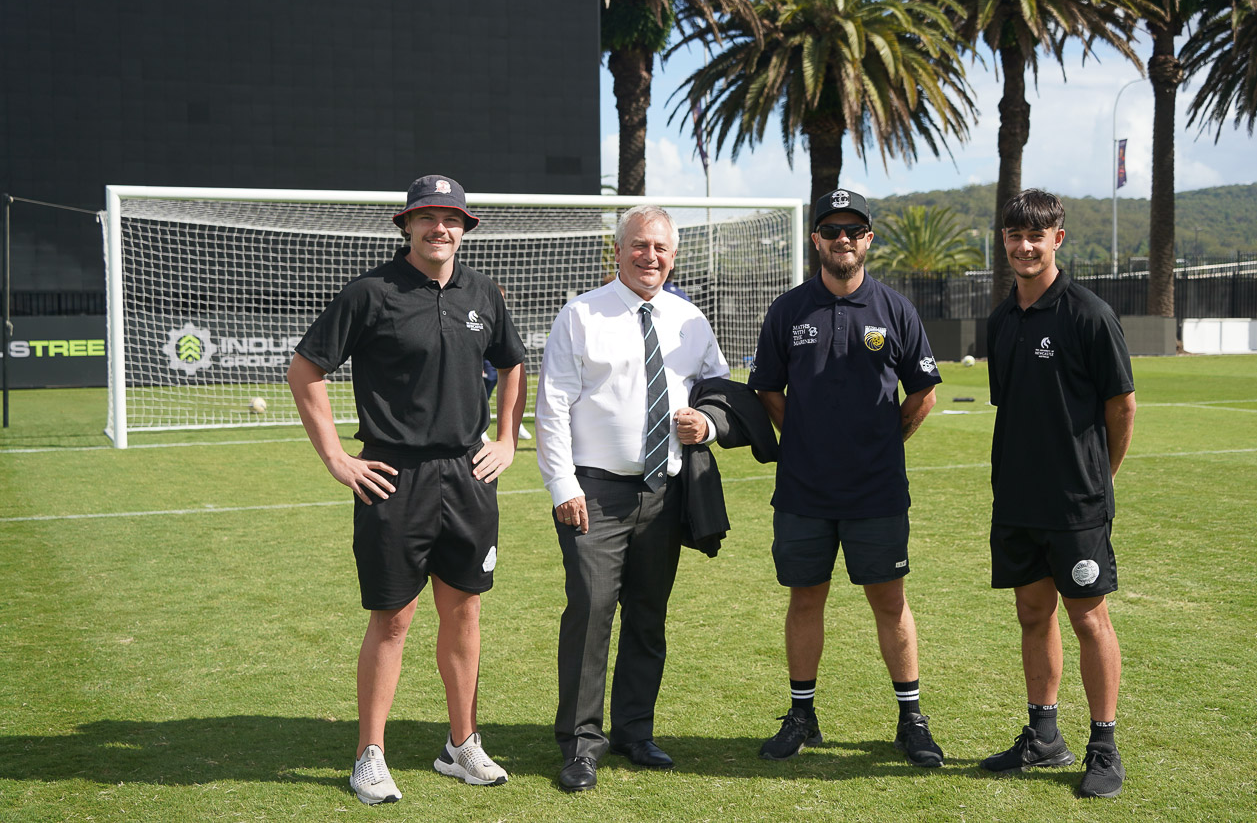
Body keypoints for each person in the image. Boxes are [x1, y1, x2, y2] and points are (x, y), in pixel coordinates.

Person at [287, 175, 527, 805]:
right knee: (393, 618)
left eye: (450, 219)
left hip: (468, 474)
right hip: (393, 476)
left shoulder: (485, 294)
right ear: (406, 227)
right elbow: (305, 368)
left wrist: (506, 438)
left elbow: (512, 363)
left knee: (465, 611)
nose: (438, 229)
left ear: (465, 228)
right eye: (426, 218)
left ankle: (461, 744)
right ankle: (370, 754)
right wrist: (338, 458)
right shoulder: (371, 293)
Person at [535, 205, 730, 792]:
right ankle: (580, 744)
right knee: (591, 614)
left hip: (663, 492)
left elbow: (719, 393)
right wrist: (564, 485)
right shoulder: (581, 314)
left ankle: (635, 732)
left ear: (674, 255)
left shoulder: (691, 320)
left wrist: (710, 424)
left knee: (649, 617)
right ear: (616, 251)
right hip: (592, 493)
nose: (651, 257)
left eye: (662, 249)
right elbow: (553, 407)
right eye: (639, 246)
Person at [747, 188, 944, 767]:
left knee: (890, 600)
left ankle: (911, 719)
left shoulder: (896, 310)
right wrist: (808, 440)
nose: (842, 240)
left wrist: (882, 443)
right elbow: (768, 391)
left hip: (877, 490)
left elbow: (923, 393)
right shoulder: (787, 309)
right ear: (816, 240)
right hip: (804, 489)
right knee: (805, 598)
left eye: (853, 231)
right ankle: (802, 715)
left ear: (868, 241)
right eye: (831, 231)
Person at [981, 188, 1136, 799]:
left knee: (1088, 617)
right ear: (1005, 242)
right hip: (1017, 500)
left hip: (1076, 504)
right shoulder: (1001, 320)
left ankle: (1103, 744)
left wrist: (1102, 478)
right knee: (1031, 613)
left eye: (1035, 236)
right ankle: (1043, 737)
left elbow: (1121, 406)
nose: (1024, 247)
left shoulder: (1089, 314)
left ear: (1057, 241)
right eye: (1015, 236)